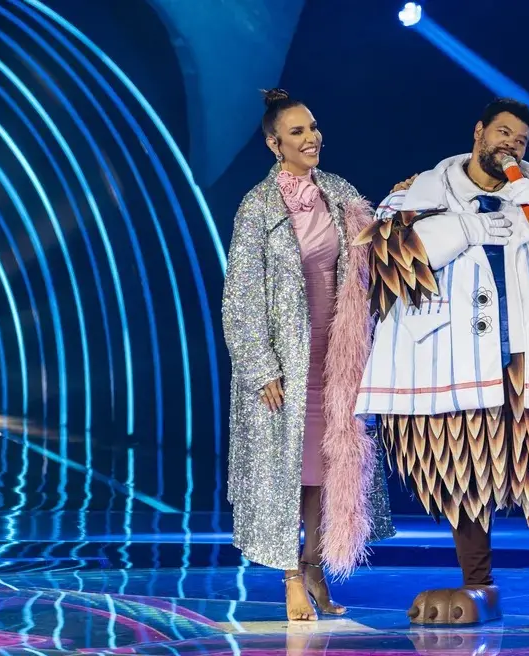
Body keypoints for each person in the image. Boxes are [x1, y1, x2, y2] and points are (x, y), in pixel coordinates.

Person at [355, 98, 529, 627]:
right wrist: (461, 230)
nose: (511, 145)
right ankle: (477, 583)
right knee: (460, 470)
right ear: (479, 131)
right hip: (449, 358)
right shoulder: (417, 194)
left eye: (521, 140)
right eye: (502, 133)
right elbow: (383, 257)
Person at [223, 88, 394, 622]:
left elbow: (377, 247)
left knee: (329, 467)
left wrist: (399, 208)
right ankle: (291, 577)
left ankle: (315, 564)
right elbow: (241, 293)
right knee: (287, 470)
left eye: (313, 127)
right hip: (285, 362)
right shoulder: (257, 207)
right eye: (297, 132)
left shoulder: (340, 192)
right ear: (275, 144)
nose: (311, 137)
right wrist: (260, 366)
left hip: (337, 357)